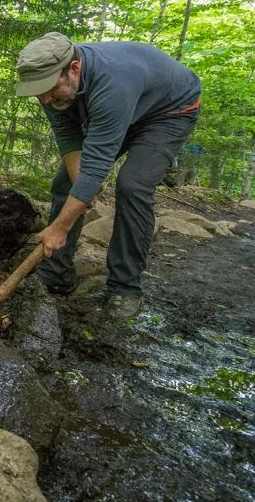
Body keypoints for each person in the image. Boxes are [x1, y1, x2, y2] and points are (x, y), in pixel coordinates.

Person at [15, 32, 201, 320]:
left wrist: (59, 228)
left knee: (133, 185)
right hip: (125, 104)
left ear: (74, 68)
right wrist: (81, 188)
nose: (45, 99)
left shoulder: (112, 83)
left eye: (49, 89)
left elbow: (96, 165)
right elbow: (68, 136)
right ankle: (56, 272)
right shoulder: (47, 83)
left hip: (168, 112)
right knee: (66, 182)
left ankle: (125, 288)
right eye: (38, 92)